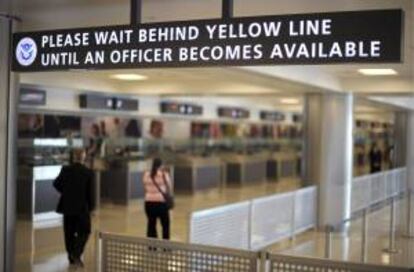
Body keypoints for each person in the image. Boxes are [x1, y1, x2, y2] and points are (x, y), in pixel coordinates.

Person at [53, 149, 94, 267]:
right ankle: (76, 253)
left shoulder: (65, 170)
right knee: (85, 231)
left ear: (73, 157)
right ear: (83, 157)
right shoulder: (88, 172)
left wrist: (66, 192)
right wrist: (91, 208)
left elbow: (56, 184)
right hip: (82, 208)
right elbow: (90, 193)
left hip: (67, 206)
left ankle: (71, 256)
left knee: (69, 232)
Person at [142, 158, 173, 240]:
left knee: (151, 225)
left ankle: (152, 247)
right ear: (161, 165)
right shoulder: (164, 174)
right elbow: (169, 187)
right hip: (161, 203)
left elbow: (145, 187)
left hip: (149, 203)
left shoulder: (146, 174)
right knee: (165, 225)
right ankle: (166, 247)